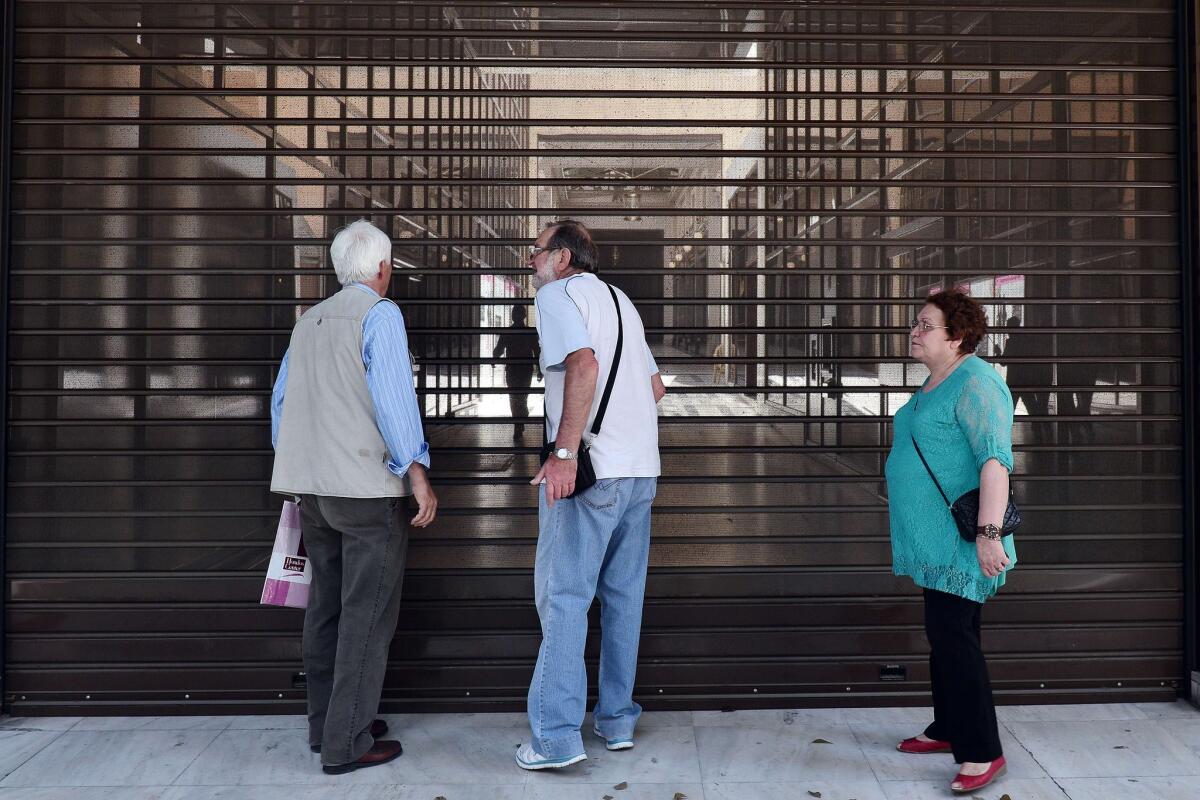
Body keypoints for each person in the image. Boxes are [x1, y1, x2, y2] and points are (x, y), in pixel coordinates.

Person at [270, 219, 438, 774]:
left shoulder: (308, 321)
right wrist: (417, 475)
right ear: (383, 268)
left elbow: (280, 407)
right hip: (365, 493)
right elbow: (394, 402)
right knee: (367, 615)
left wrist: (299, 464)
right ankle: (348, 744)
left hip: (311, 491)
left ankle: (328, 725)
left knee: (327, 609)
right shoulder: (380, 314)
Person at [515, 219, 667, 770]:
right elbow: (654, 387)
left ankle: (555, 737)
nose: (530, 263)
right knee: (623, 599)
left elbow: (583, 365)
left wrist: (565, 452)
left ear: (560, 258)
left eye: (534, 253)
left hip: (590, 472)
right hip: (639, 472)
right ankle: (618, 720)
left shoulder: (557, 296)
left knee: (564, 597)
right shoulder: (622, 300)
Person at [884, 289, 1016, 795]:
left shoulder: (978, 383)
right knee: (944, 637)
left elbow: (994, 461)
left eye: (924, 325)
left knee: (955, 639)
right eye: (915, 324)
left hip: (963, 540)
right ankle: (947, 728)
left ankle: (983, 750)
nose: (913, 332)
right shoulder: (937, 378)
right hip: (933, 540)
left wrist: (987, 535)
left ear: (956, 336)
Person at [998, 316, 1052, 444]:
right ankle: (1042, 434)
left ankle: (1001, 438)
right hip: (1026, 380)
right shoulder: (1027, 340)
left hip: (1013, 381)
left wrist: (998, 353)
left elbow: (1003, 362)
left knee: (1008, 409)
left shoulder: (1011, 342)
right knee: (1033, 408)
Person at [492, 305, 542, 440]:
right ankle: (520, 421)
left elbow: (499, 349)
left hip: (512, 370)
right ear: (525, 316)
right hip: (525, 370)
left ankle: (518, 422)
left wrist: (493, 359)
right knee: (522, 397)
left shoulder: (508, 332)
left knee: (514, 398)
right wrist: (540, 370)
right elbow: (536, 351)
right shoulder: (531, 332)